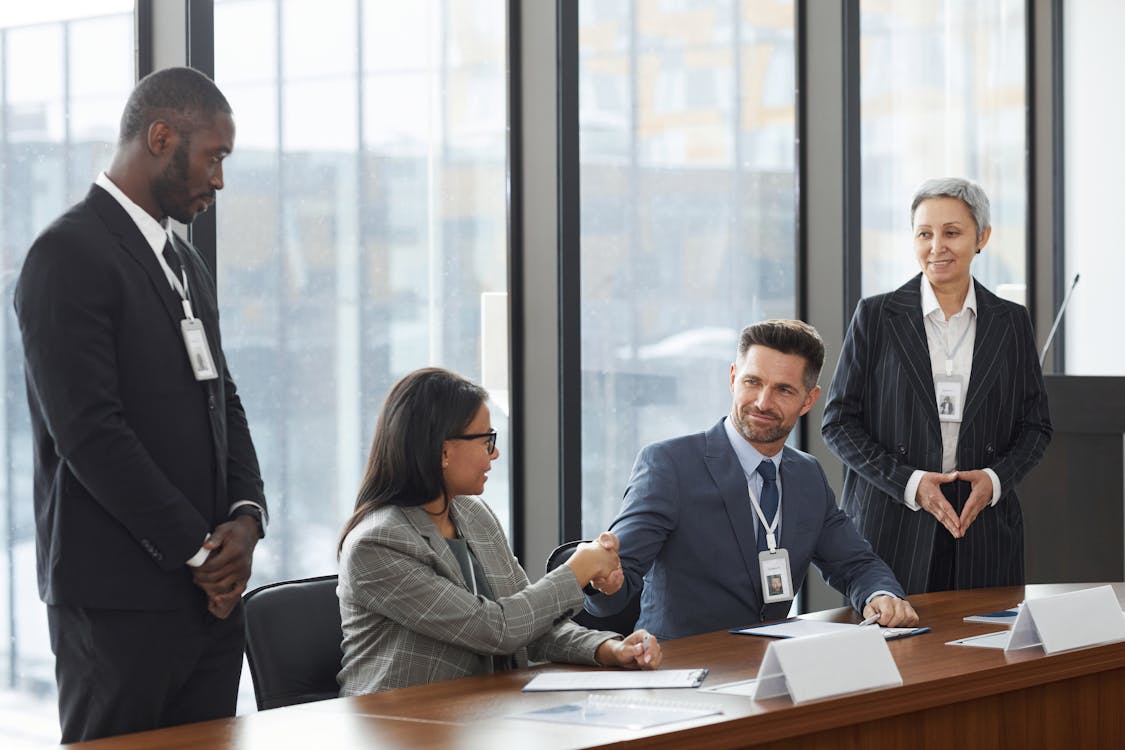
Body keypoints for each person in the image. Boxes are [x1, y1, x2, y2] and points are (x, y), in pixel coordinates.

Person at [14, 67, 268, 743]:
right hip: (118, 604)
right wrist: (199, 551)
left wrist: (246, 519)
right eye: (214, 157)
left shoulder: (184, 262)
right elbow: (91, 435)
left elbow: (224, 398)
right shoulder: (66, 254)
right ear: (161, 138)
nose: (219, 179)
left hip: (209, 605)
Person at [584, 320, 917, 641]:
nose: (762, 402)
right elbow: (616, 579)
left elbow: (855, 563)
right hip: (681, 668)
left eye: (783, 390)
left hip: (768, 666)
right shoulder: (669, 465)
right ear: (733, 378)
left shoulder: (807, 475)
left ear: (808, 400)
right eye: (752, 382)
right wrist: (606, 580)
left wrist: (881, 594)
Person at [336, 368, 661, 695]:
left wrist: (609, 650)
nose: (495, 454)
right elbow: (495, 628)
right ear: (443, 451)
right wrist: (577, 570)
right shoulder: (377, 544)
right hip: (400, 727)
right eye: (486, 440)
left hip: (482, 715)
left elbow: (530, 625)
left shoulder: (472, 514)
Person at [822, 177, 1052, 594]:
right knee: (895, 653)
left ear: (982, 237)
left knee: (987, 648)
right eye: (924, 233)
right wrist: (911, 483)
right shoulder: (875, 316)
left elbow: (1036, 426)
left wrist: (995, 480)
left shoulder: (1011, 322)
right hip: (892, 522)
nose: (936, 246)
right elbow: (838, 423)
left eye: (952, 232)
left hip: (982, 526)